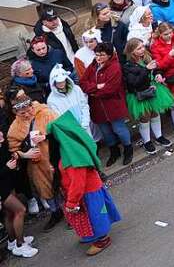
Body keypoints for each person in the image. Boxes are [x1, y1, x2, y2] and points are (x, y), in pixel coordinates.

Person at [46, 111, 121, 256]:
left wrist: (72, 202)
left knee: (95, 217)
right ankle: (94, 235)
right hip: (87, 191)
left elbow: (78, 182)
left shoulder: (73, 156)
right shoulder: (71, 148)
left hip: (87, 193)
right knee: (95, 215)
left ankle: (102, 239)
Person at [7, 92, 60, 229]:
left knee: (63, 184)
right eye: (22, 113)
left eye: (29, 110)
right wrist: (25, 155)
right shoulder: (14, 128)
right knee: (45, 189)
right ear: (15, 112)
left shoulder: (46, 113)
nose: (26, 114)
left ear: (32, 106)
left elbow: (62, 129)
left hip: (56, 156)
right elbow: (13, 151)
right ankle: (56, 213)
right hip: (36, 165)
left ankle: (71, 210)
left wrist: (45, 136)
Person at [80, 42, 133, 167]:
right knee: (106, 132)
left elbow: (110, 89)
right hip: (98, 107)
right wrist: (96, 86)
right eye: (97, 54)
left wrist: (93, 92)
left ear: (109, 55)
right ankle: (114, 151)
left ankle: (128, 148)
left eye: (102, 55)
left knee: (119, 129)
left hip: (113, 105)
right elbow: (83, 83)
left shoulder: (115, 67)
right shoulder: (93, 65)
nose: (98, 58)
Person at [122, 38, 174, 154]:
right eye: (139, 48)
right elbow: (134, 82)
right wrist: (146, 70)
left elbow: (156, 69)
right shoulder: (127, 66)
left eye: (142, 47)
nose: (142, 50)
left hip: (154, 89)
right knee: (145, 117)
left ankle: (159, 136)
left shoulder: (147, 57)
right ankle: (147, 141)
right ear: (132, 51)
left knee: (155, 113)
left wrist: (158, 75)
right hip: (140, 94)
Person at [45, 64, 90, 131]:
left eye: (63, 81)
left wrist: (85, 123)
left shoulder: (76, 89)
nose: (61, 84)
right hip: (70, 130)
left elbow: (84, 106)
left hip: (85, 126)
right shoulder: (51, 100)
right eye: (58, 82)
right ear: (53, 82)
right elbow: (58, 117)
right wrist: (71, 129)